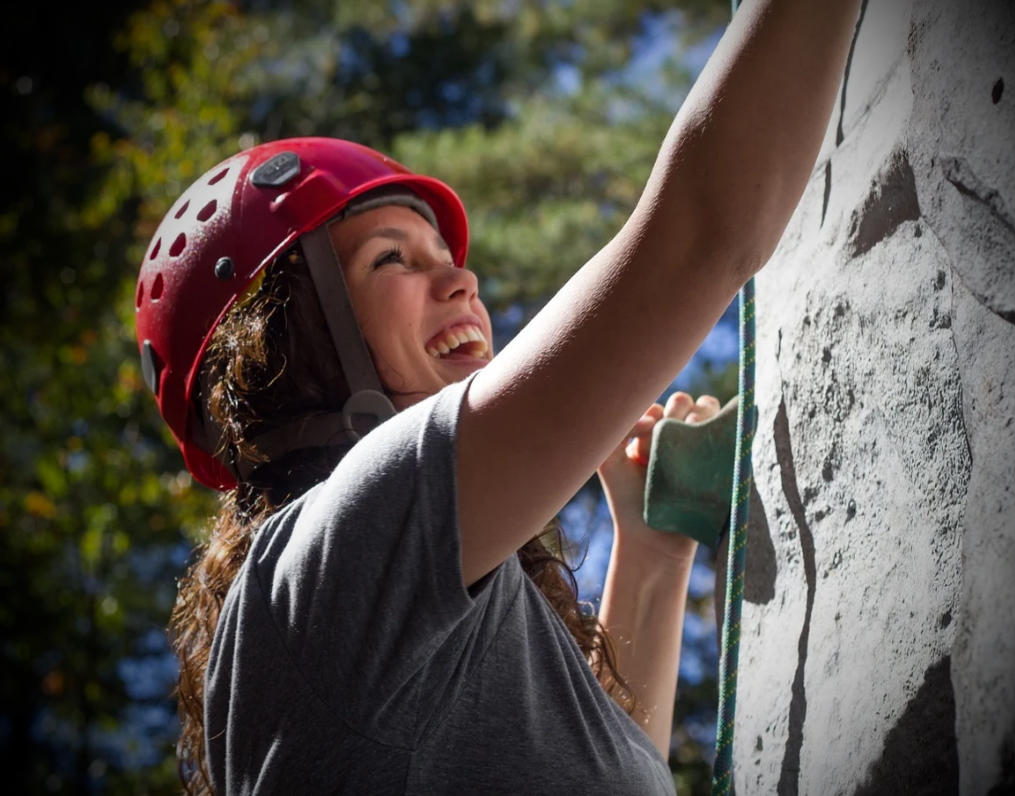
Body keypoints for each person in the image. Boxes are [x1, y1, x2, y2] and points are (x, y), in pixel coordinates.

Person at [135, 0, 861, 793]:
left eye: (444, 254)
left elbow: (599, 766)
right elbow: (697, 235)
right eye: (392, 260)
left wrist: (649, 556)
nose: (462, 279)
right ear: (295, 340)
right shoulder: (331, 556)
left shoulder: (369, 610)